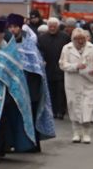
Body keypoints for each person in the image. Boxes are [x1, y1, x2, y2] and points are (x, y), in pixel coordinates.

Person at [0, 26, 38, 158]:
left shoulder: (9, 50)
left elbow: (16, 72)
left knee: (2, 121)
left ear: (3, 34)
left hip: (3, 91)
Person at [7, 15, 58, 147]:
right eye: (10, 27)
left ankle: (32, 144)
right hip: (12, 86)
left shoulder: (29, 44)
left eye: (15, 27)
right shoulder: (5, 44)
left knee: (31, 113)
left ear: (20, 28)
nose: (12, 30)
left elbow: (37, 64)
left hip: (30, 86)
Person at [58, 26, 93, 144]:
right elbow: (62, 64)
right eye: (77, 39)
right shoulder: (67, 48)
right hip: (72, 82)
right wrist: (75, 66)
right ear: (73, 39)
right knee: (73, 105)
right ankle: (76, 132)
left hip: (89, 82)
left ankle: (86, 133)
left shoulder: (92, 48)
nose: (80, 41)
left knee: (88, 106)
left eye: (82, 39)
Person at [36, 17, 71, 120]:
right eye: (50, 26)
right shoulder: (42, 38)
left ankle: (61, 111)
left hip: (61, 67)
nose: (52, 28)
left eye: (54, 27)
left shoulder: (65, 37)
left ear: (58, 27)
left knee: (61, 91)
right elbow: (39, 51)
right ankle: (53, 110)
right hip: (48, 68)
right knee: (50, 91)